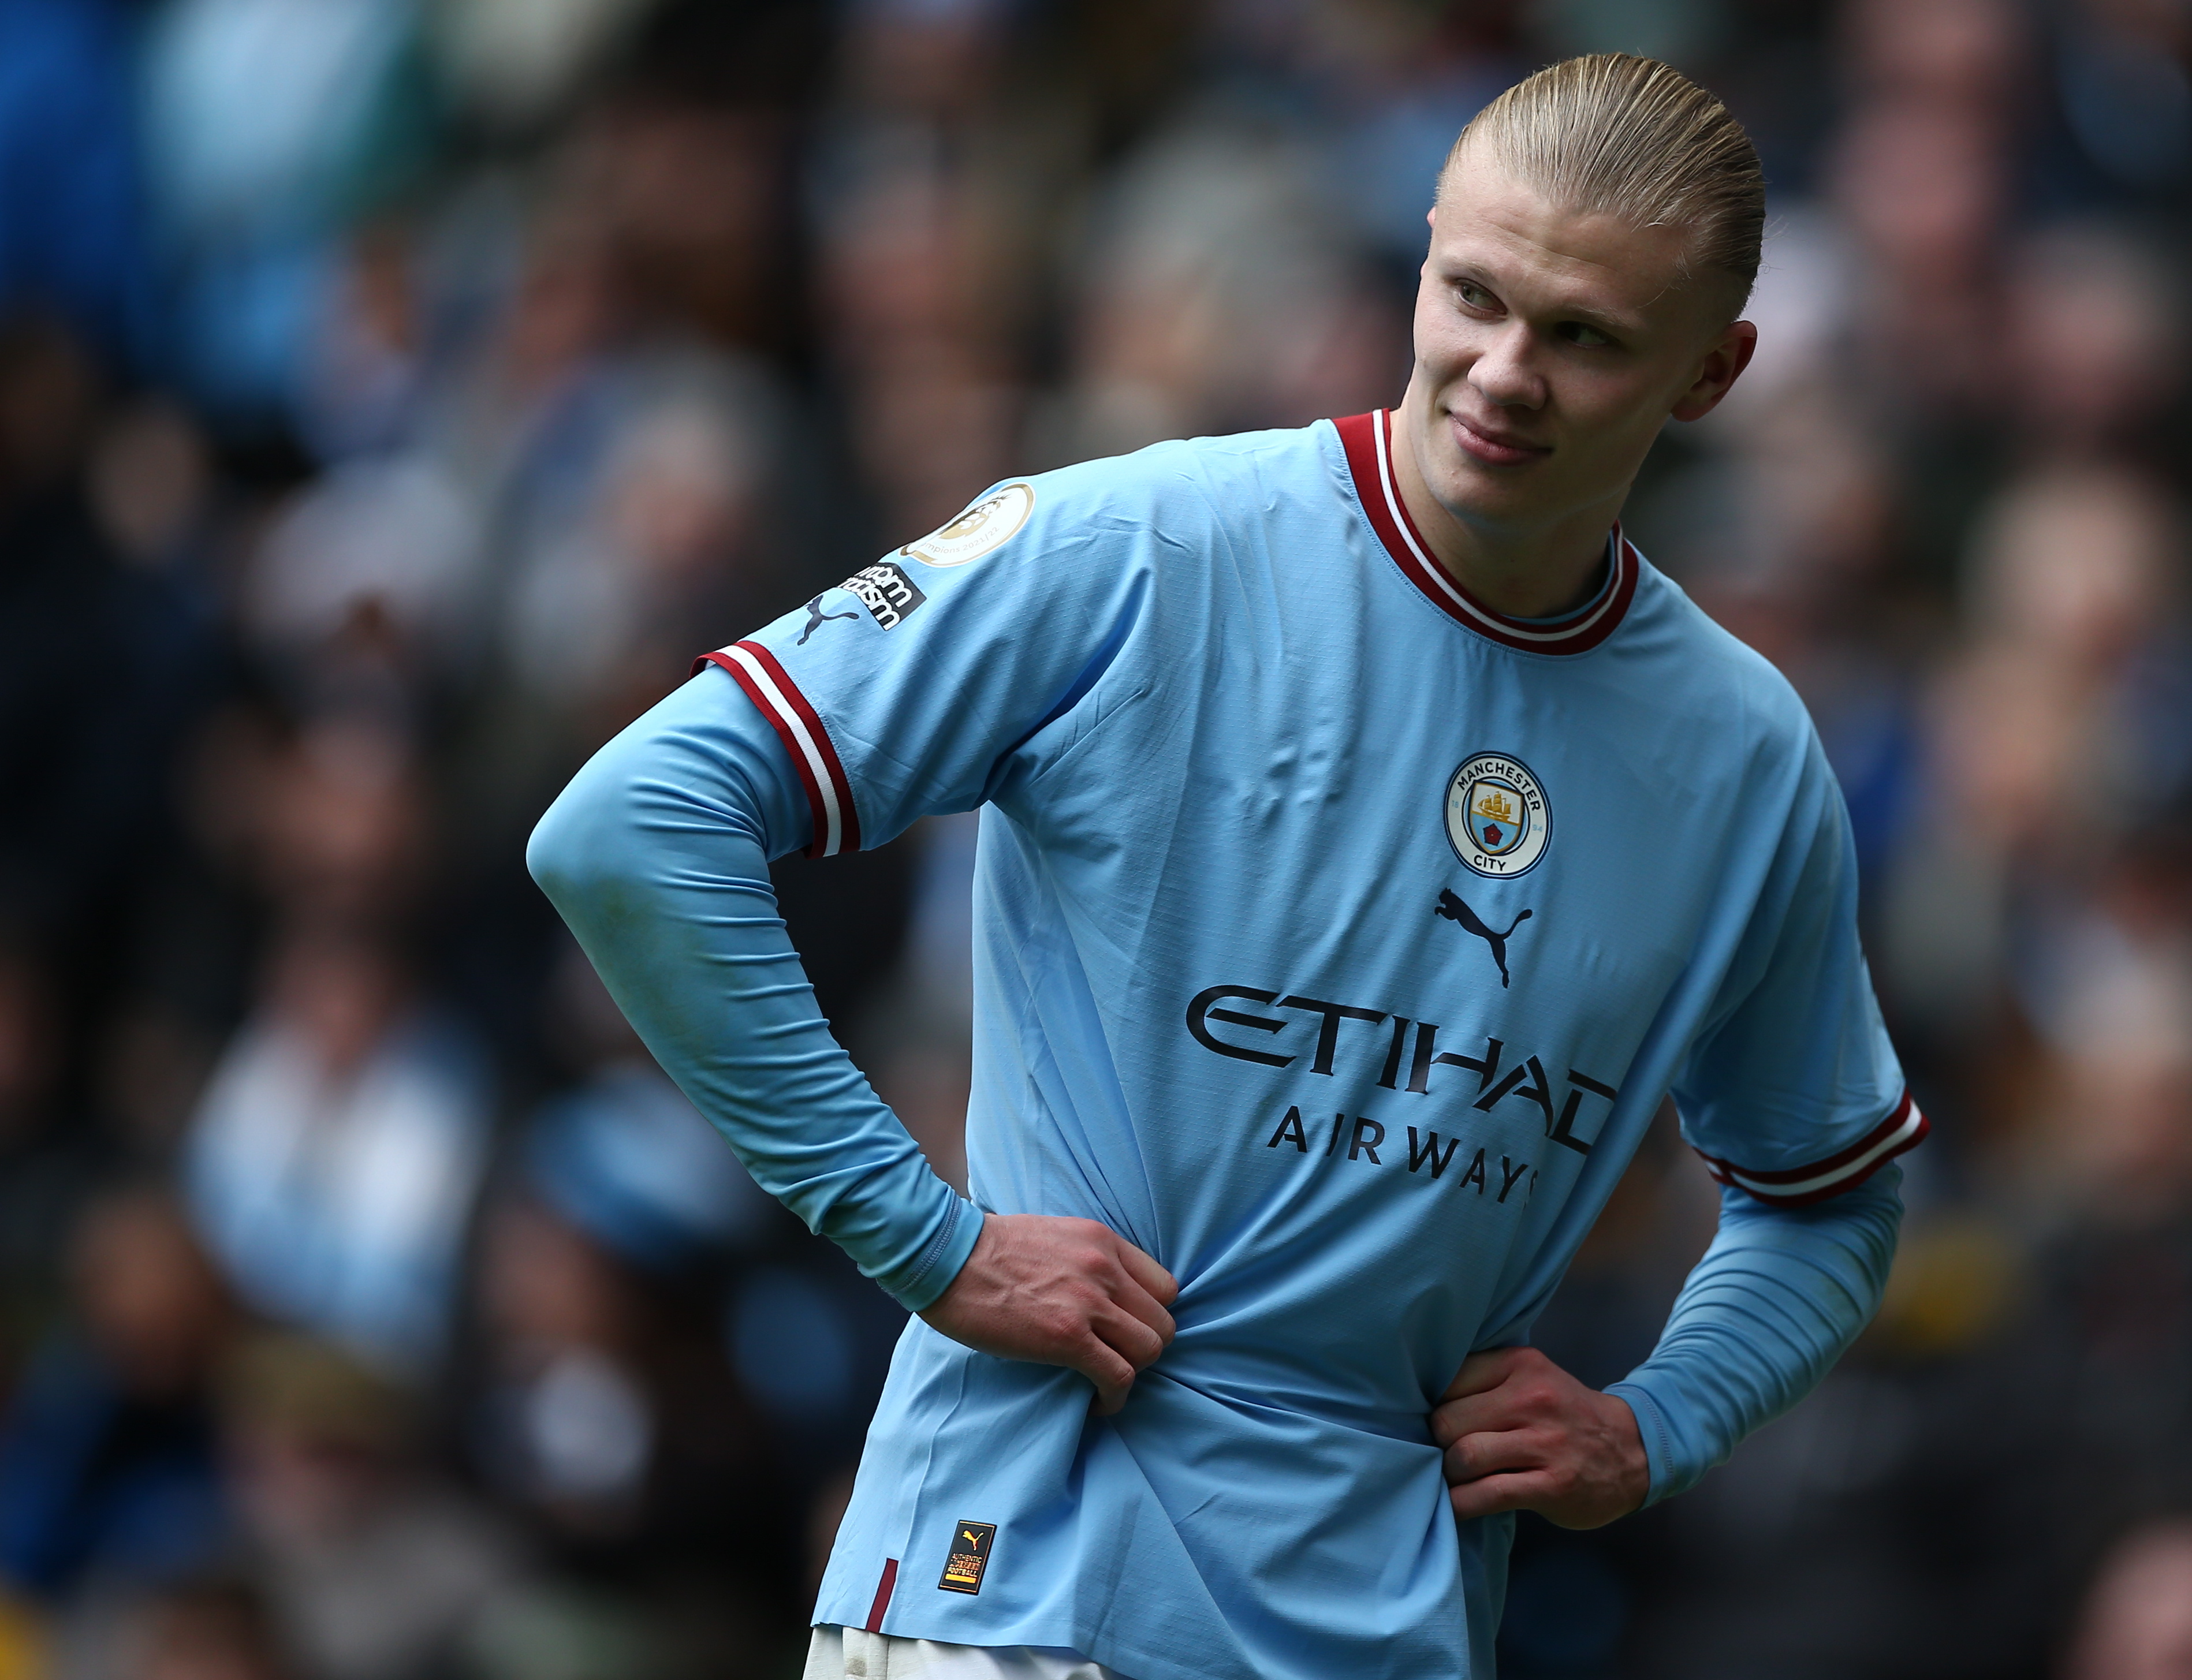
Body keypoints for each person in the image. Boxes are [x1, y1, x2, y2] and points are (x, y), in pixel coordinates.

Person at [529, 54, 1922, 1680]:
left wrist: (1654, 1424)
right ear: (1420, 254)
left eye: (1586, 337)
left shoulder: (1741, 756)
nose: (1501, 373)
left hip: (1390, 1638)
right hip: (1017, 1592)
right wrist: (927, 1239)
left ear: (1710, 371)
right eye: (1471, 295)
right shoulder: (1134, 545)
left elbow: (1828, 1197)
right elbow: (635, 822)